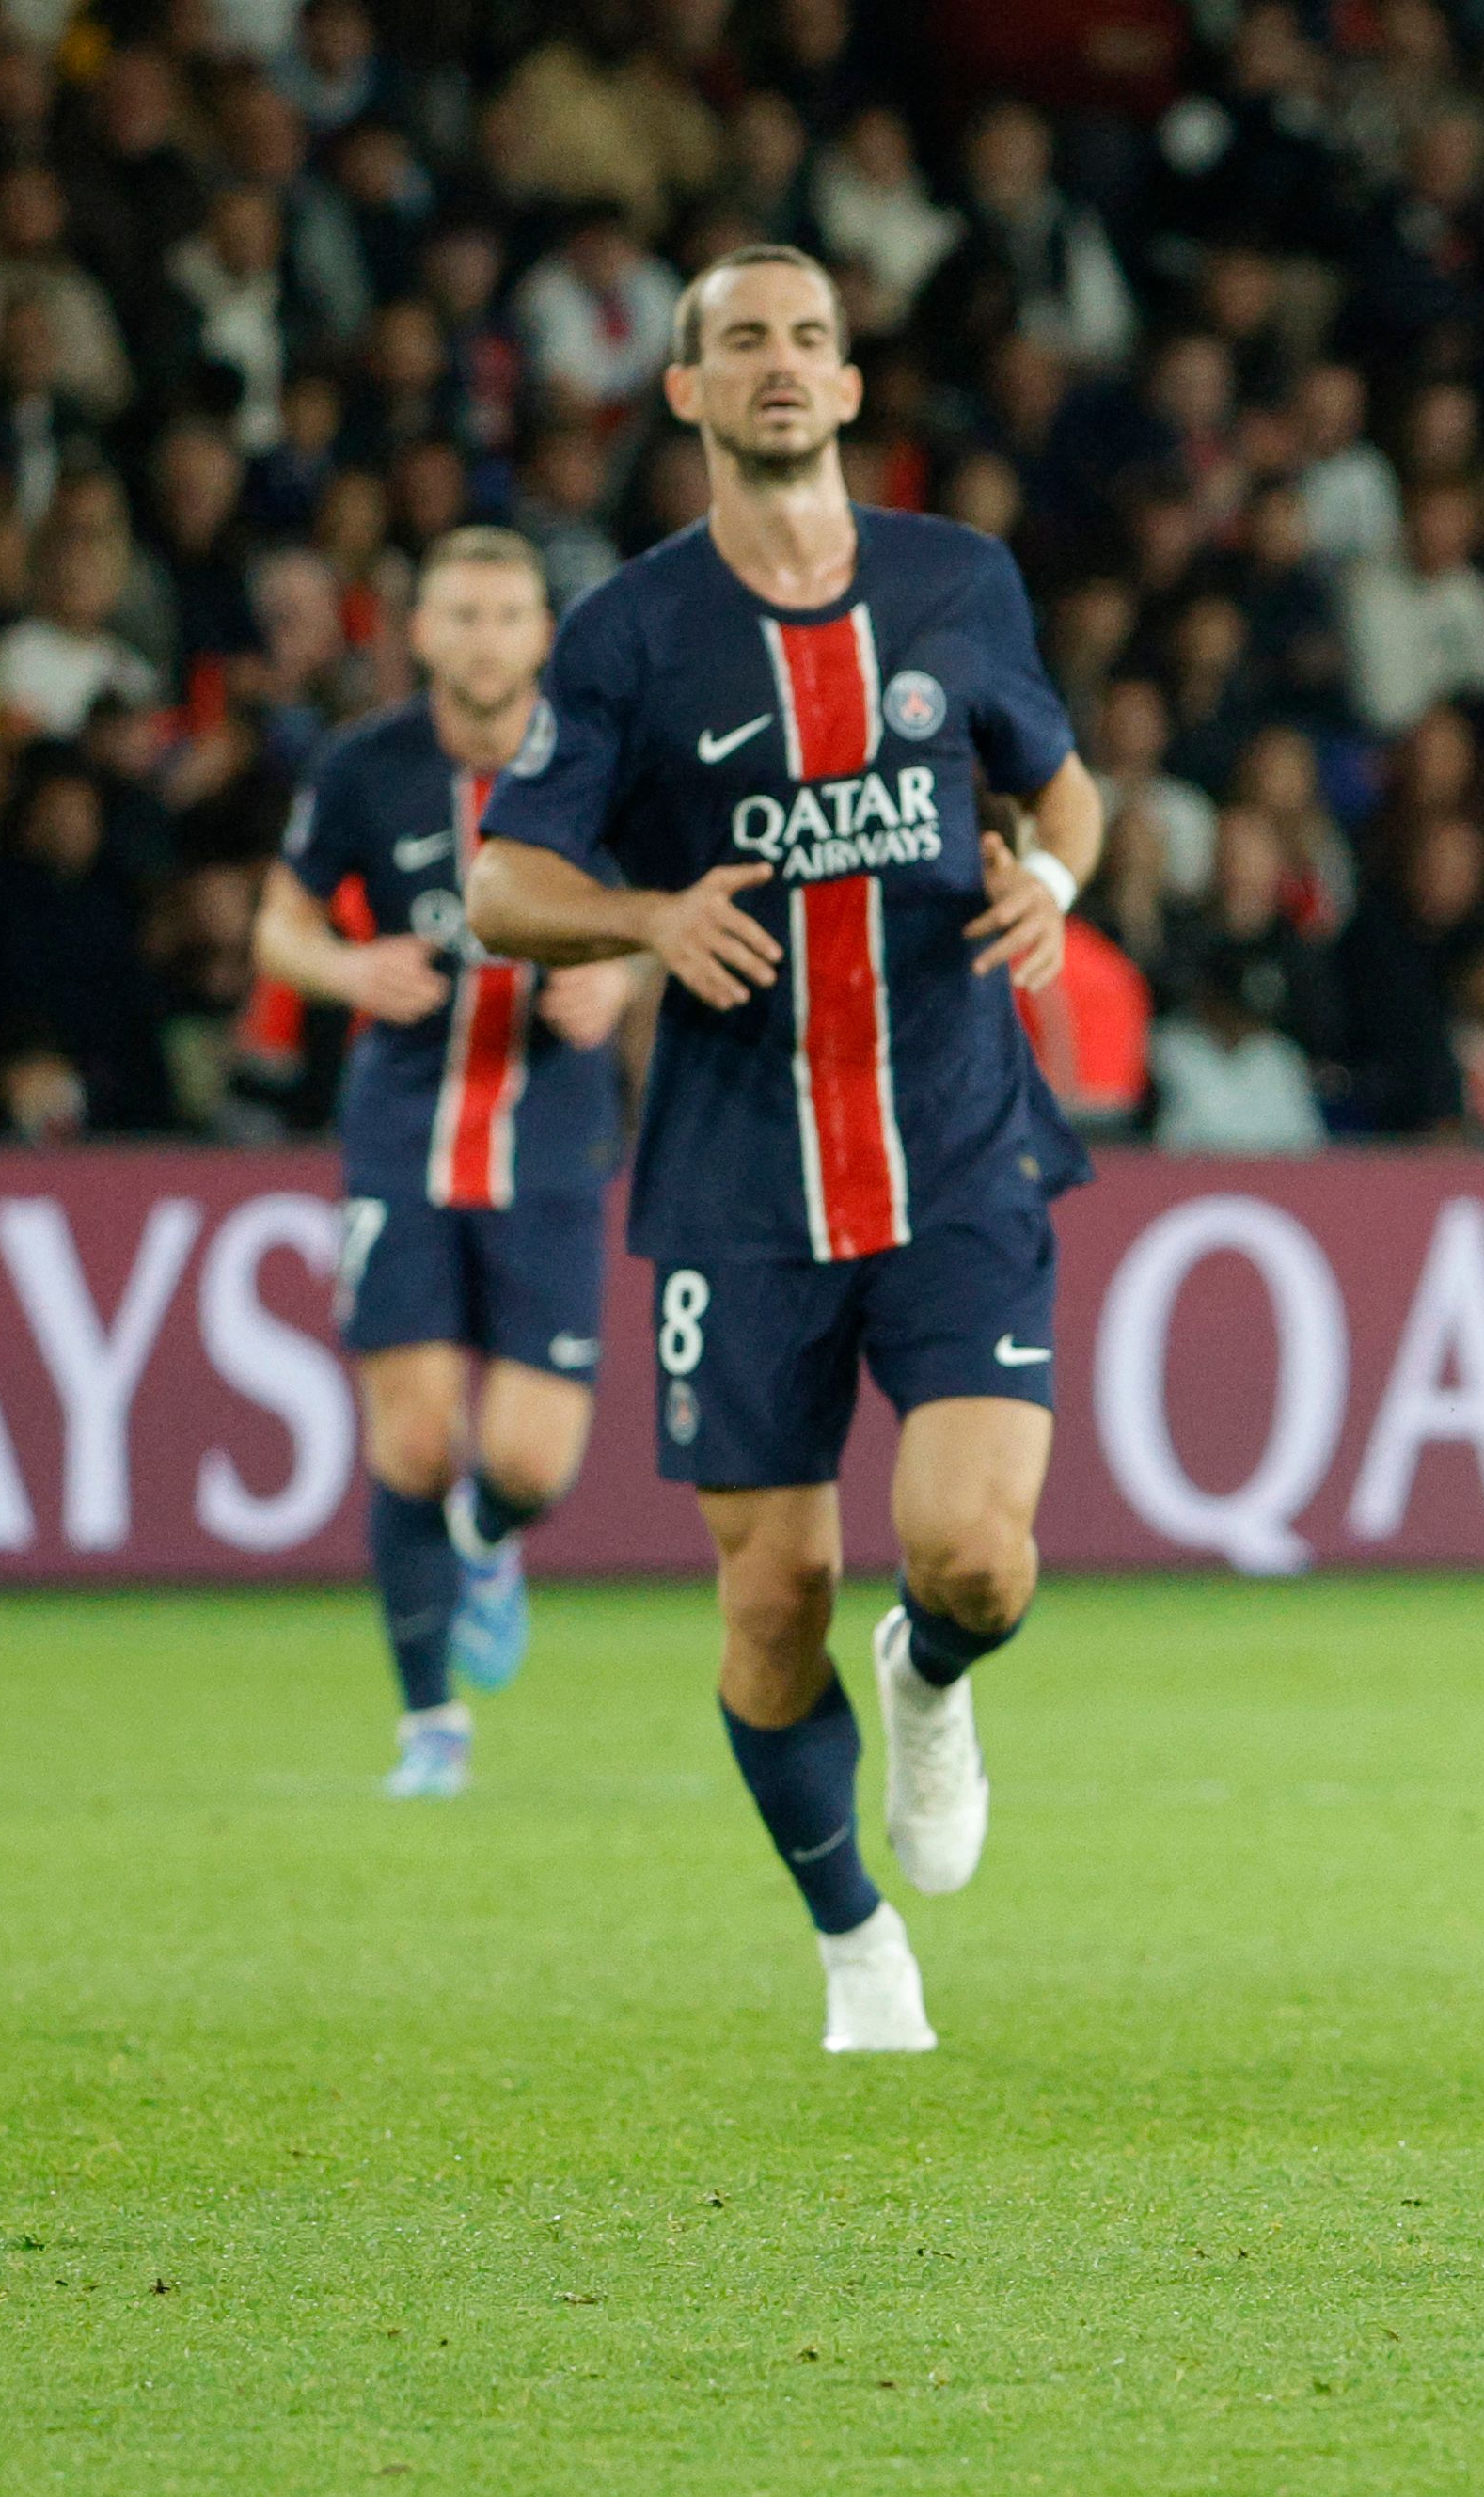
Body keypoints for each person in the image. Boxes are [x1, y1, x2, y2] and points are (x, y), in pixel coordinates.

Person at [467, 245, 1105, 2056]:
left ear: (844, 385)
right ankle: (853, 1940)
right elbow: (505, 883)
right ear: (682, 391)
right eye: (738, 338)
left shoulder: (955, 581)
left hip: (958, 1140)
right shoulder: (627, 634)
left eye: (808, 338)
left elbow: (1066, 788)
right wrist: (646, 919)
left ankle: (931, 1679)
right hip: (742, 1179)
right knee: (774, 1600)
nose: (778, 362)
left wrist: (1050, 886)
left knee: (974, 1555)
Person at [250, 528, 637, 1798]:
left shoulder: (593, 760)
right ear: (420, 633)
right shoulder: (366, 768)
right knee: (412, 1441)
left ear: (543, 634)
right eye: (458, 615)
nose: (482, 638)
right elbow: (281, 924)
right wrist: (346, 969)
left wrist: (620, 977)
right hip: (403, 1135)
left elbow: (664, 904)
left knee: (529, 1463)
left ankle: (487, 1543)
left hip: (555, 1134)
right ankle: (430, 1726)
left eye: (506, 615)